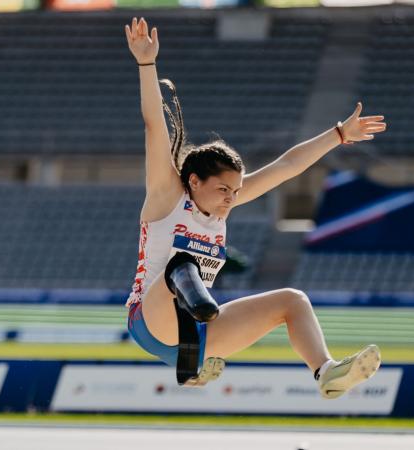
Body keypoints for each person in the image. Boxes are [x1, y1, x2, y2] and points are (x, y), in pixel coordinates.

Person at [123, 17, 387, 399]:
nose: (232, 197)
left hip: (199, 331)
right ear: (194, 181)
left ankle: (326, 372)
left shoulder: (223, 208)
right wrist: (146, 65)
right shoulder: (168, 197)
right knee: (180, 267)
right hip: (151, 322)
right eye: (223, 189)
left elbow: (286, 167)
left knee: (292, 301)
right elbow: (153, 127)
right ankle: (194, 349)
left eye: (236, 189)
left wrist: (339, 134)